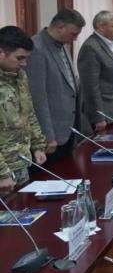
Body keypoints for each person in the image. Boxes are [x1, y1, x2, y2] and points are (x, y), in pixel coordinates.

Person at [25, 9, 85, 164]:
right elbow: (38, 97)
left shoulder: (62, 44)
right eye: (74, 34)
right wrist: (47, 135)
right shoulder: (36, 48)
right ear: (60, 27)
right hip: (52, 133)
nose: (75, 39)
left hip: (69, 127)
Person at [0, 27, 47, 191]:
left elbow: (29, 112)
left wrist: (38, 145)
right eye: (19, 58)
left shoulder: (20, 76)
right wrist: (2, 173)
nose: (24, 64)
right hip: (3, 171)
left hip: (21, 162)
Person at [77, 11, 113, 133]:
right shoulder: (91, 47)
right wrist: (98, 117)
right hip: (103, 113)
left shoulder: (112, 44)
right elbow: (90, 86)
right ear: (101, 27)